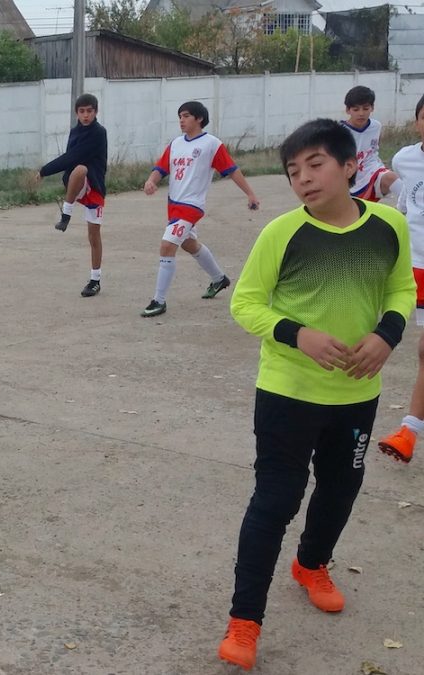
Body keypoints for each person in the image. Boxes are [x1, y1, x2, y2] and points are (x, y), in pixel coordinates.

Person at [218, 118, 415, 671]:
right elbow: (246, 304)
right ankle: (244, 621)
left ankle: (312, 564)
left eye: (315, 164)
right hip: (287, 391)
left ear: (351, 165)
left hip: (357, 393)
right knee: (276, 500)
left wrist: (387, 335)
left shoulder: (389, 225)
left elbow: (401, 287)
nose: (303, 178)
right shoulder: (281, 233)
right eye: (292, 170)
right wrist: (297, 334)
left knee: (342, 487)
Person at [141, 101, 260, 317]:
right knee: (188, 243)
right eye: (179, 116)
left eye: (186, 116)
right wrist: (151, 181)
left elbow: (232, 170)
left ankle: (158, 301)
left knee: (167, 246)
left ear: (199, 119)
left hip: (192, 206)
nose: (181, 120)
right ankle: (219, 278)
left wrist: (250, 194)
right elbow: (161, 167)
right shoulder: (176, 143)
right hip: (174, 205)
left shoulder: (211, 144)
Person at [376, 94, 424, 463]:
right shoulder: (406, 158)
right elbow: (407, 202)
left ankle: (409, 430)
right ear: (416, 122)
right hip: (410, 265)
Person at [36, 93, 108, 297]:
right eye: (82, 111)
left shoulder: (99, 133)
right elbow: (70, 160)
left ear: (96, 112)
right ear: (77, 113)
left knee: (94, 235)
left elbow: (73, 157)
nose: (86, 115)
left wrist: (44, 170)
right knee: (78, 171)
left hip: (94, 187)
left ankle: (95, 280)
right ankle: (66, 214)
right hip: (76, 183)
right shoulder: (74, 132)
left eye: (90, 111)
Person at [342, 85, 403, 203]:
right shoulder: (340, 131)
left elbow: (374, 150)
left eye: (365, 108)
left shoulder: (376, 126)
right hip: (349, 179)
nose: (361, 113)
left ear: (372, 108)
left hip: (372, 171)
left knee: (392, 178)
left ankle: (410, 208)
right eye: (356, 109)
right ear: (348, 110)